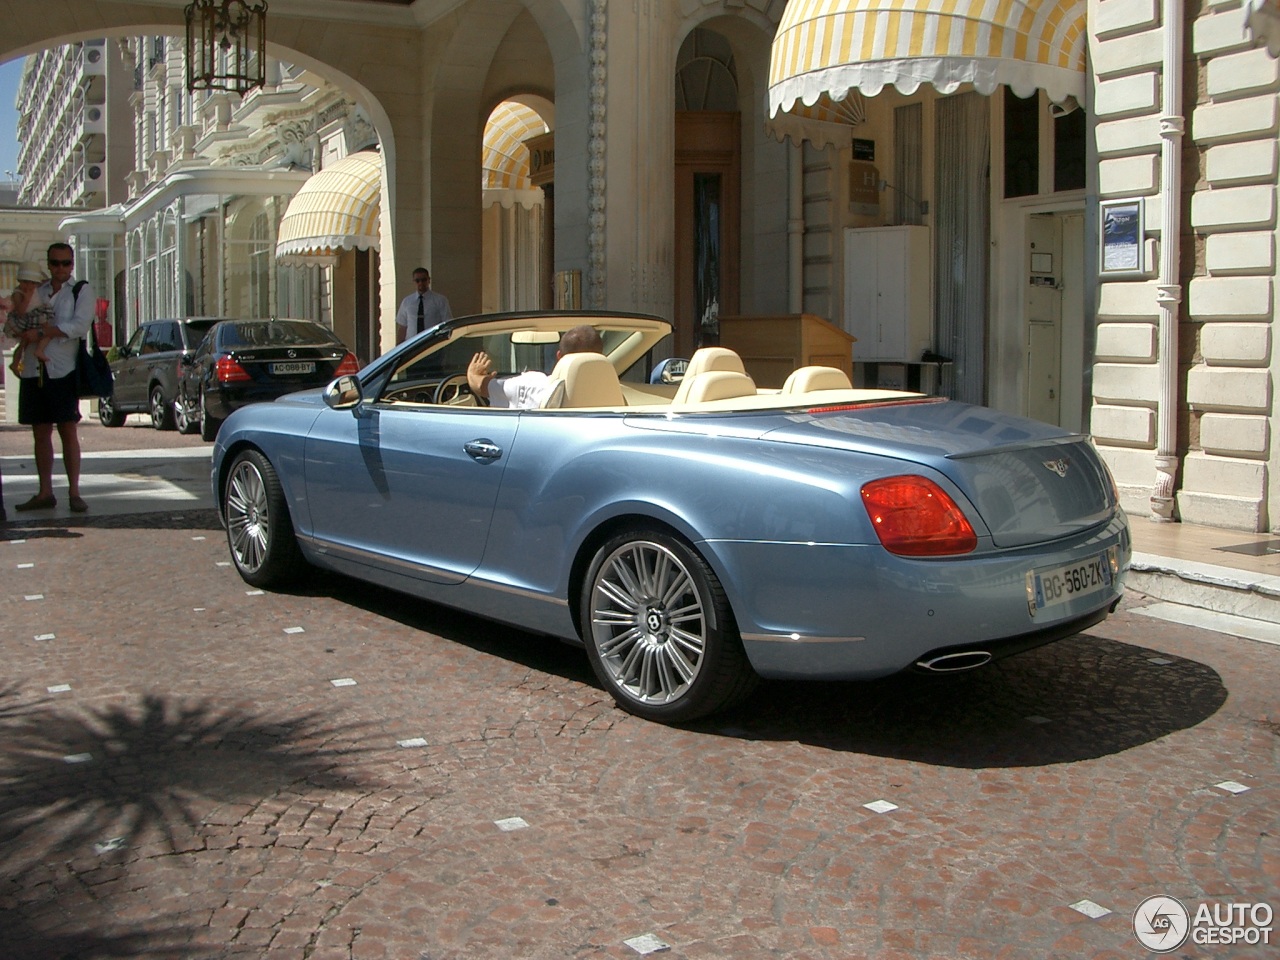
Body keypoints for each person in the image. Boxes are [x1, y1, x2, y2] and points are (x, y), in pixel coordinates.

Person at [11, 242, 95, 514]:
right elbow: (21, 316)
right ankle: (45, 491)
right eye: (55, 263)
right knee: (39, 431)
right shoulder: (39, 289)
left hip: (63, 369)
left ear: (71, 264)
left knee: (67, 429)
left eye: (66, 263)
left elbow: (79, 326)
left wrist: (47, 331)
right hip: (35, 368)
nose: (61, 268)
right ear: (49, 263)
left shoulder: (80, 291)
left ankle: (74, 491)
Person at [466, 324, 604, 409]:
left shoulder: (533, 385)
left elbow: (480, 387)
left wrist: (473, 373)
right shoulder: (613, 393)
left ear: (559, 356)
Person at [5, 262, 53, 378]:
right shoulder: (18, 293)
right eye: (25, 282)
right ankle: (18, 361)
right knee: (43, 332)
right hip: (24, 320)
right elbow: (20, 311)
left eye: (32, 283)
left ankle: (36, 351)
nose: (28, 286)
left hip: (34, 317)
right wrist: (26, 298)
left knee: (46, 332)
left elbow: (47, 281)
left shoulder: (36, 289)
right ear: (19, 281)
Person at [395, 267, 451, 344]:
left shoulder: (440, 300)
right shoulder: (407, 302)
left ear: (428, 280)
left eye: (423, 280)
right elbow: (403, 327)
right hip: (411, 345)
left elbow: (447, 324)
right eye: (417, 281)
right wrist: (398, 347)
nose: (420, 283)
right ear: (414, 282)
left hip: (432, 344)